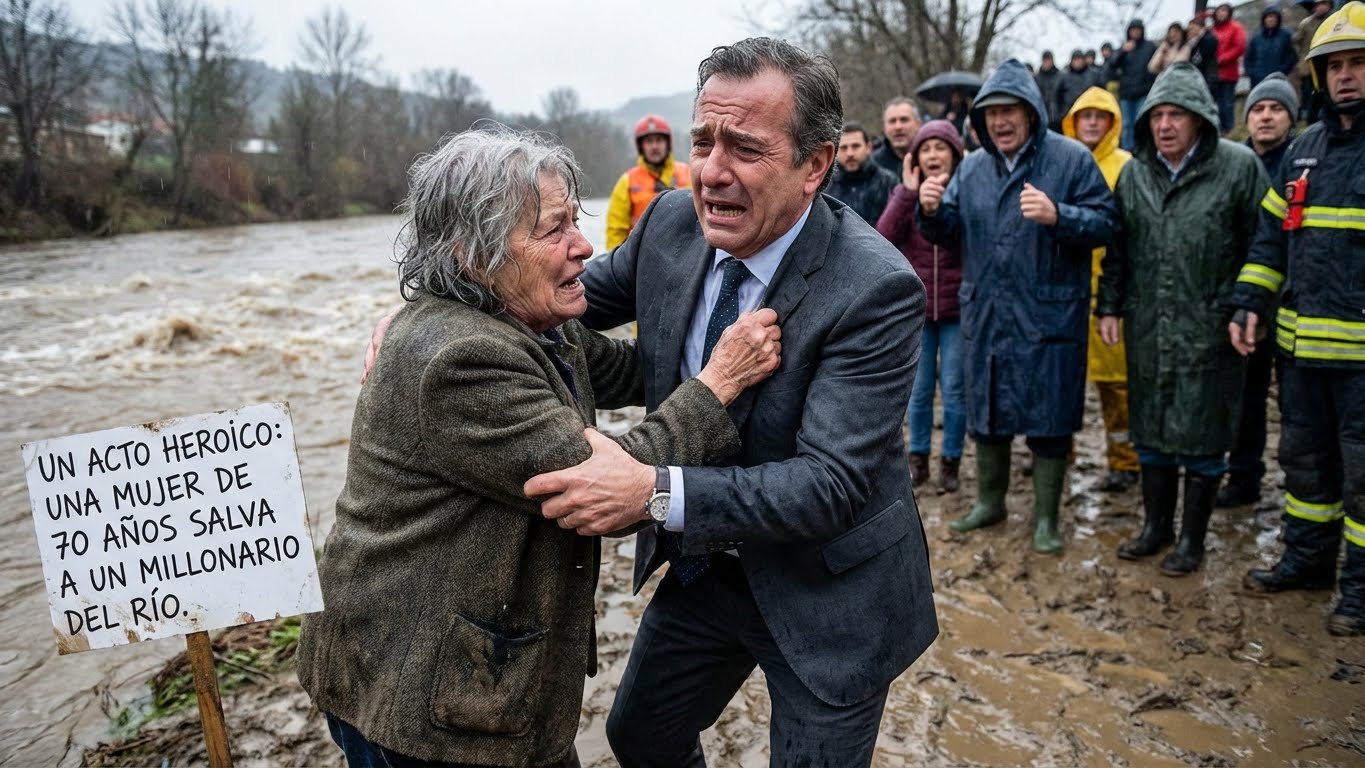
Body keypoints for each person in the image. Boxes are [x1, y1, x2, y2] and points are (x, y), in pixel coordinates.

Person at [296, 127, 781, 767]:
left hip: (476, 679)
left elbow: (644, 369)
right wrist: (721, 381)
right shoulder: (463, 361)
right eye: (555, 231)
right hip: (414, 692)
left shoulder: (528, 319)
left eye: (575, 221)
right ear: (474, 256)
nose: (584, 246)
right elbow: (611, 483)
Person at [528, 38, 936, 766]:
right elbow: (555, 299)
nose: (710, 172)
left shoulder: (876, 288)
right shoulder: (668, 224)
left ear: (814, 165)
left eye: (744, 148)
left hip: (828, 591)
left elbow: (827, 486)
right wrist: (442, 306)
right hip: (709, 569)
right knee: (640, 736)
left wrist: (650, 493)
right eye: (702, 141)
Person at [919, 59, 1119, 555]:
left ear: (1032, 113)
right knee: (987, 414)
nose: (1001, 121)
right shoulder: (972, 168)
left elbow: (1107, 224)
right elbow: (950, 232)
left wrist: (1060, 216)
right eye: (991, 113)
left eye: (1011, 110)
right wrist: (930, 211)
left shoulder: (1071, 160)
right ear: (981, 120)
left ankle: (1046, 519)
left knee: (1050, 419)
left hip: (1049, 314)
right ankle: (992, 503)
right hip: (987, 313)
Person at [1096, 62, 1269, 576]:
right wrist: (1109, 304)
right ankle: (1155, 528)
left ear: (1200, 119)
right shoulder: (1134, 174)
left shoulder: (1239, 168)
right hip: (1149, 321)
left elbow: (1266, 244)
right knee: (1150, 425)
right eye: (1157, 115)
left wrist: (1248, 304)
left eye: (1177, 115)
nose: (1165, 125)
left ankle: (1192, 540)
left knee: (1204, 431)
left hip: (1213, 325)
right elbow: (1118, 249)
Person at [1233, 1, 1365, 637]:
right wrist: (1249, 303)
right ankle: (1307, 562)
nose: (1345, 76)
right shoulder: (1302, 154)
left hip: (1363, 362)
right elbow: (1269, 240)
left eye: (1358, 63)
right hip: (1302, 353)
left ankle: (1361, 590)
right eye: (1334, 65)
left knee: (1363, 478)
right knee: (1305, 466)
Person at [1218, 72, 1299, 508]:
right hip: (1243, 298)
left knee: (1295, 401)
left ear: (1292, 117)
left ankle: (1304, 479)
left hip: (1291, 301)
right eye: (1259, 110)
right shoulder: (1230, 162)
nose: (1266, 117)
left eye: (1276, 109)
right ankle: (1244, 475)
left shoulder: (1302, 160)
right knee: (1245, 396)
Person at [875, 119, 967, 492]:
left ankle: (952, 462)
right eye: (926, 148)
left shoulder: (965, 190)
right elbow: (883, 236)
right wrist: (907, 193)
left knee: (956, 388)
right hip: (919, 310)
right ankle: (918, 459)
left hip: (958, 310)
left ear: (955, 155)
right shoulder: (907, 193)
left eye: (940, 148)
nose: (933, 155)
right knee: (919, 389)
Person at [1061, 86, 1140, 493]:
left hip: (1110, 292)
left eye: (1100, 116)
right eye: (1084, 115)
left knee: (1115, 383)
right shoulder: (1062, 163)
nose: (1091, 123)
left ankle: (1124, 462)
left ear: (1113, 122)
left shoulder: (1127, 167)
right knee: (1064, 379)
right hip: (1066, 290)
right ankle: (1060, 455)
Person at [606, 114, 692, 249]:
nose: (654, 146)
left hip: (686, 252)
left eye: (659, 140)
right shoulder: (627, 181)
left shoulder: (688, 173)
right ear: (641, 146)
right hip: (644, 256)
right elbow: (615, 232)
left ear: (667, 143)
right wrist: (617, 266)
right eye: (649, 141)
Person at [825, 121, 900, 224]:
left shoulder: (888, 182)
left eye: (855, 146)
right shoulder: (826, 186)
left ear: (868, 148)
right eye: (844, 148)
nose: (850, 153)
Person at [1107, 19, 1158, 150]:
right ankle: (1127, 152)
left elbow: (1156, 67)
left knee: (1140, 122)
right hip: (1126, 93)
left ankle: (1141, 149)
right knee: (1127, 124)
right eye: (1133, 30)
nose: (1135, 32)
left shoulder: (1150, 47)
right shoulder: (1124, 47)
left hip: (1144, 91)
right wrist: (1123, 51)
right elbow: (1111, 64)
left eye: (1138, 30)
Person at [1294, 0, 1336, 119]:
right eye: (1317, 5)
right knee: (1310, 93)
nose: (1320, 7)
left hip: (1328, 63)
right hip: (1308, 65)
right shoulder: (1306, 23)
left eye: (1323, 4)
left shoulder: (1334, 20)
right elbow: (1296, 41)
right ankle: (1310, 117)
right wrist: (1300, 56)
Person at [1211, 2, 1249, 133]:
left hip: (1228, 72)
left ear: (1229, 13)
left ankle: (1230, 129)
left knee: (1227, 102)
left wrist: (1221, 59)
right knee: (1215, 103)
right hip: (1213, 73)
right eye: (1219, 11)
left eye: (1224, 11)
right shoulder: (1213, 29)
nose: (1221, 13)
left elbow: (1239, 47)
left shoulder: (1236, 27)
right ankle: (1218, 128)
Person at [1247, 5, 1299, 87]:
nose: (1271, 19)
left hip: (1279, 79)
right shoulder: (1256, 37)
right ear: (1264, 19)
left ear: (1278, 19)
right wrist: (1252, 73)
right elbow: (1248, 58)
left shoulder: (1286, 35)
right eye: (1269, 17)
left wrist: (1282, 71)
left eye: (1274, 17)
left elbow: (1292, 56)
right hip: (1258, 80)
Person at [871, 96, 923, 174]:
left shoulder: (930, 159)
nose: (898, 127)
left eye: (904, 120)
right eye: (892, 121)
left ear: (918, 124)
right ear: (884, 127)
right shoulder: (873, 165)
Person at [1056, 48, 1100, 126]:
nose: (1078, 62)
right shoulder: (1064, 76)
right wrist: (1060, 114)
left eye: (1080, 59)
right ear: (1072, 61)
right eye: (1076, 59)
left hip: (1089, 111)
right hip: (1069, 113)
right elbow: (1057, 96)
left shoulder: (1094, 74)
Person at [1187, 12, 1222, 90]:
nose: (1190, 32)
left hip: (1209, 77)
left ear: (1200, 28)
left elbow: (1208, 51)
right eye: (1189, 30)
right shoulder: (1192, 43)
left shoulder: (1209, 38)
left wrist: (1198, 38)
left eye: (1192, 28)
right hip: (1197, 77)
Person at [1036, 50, 1063, 125]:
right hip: (1041, 116)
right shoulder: (1037, 78)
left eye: (1048, 60)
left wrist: (1061, 114)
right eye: (1045, 60)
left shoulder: (1060, 76)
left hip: (1056, 117)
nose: (1046, 62)